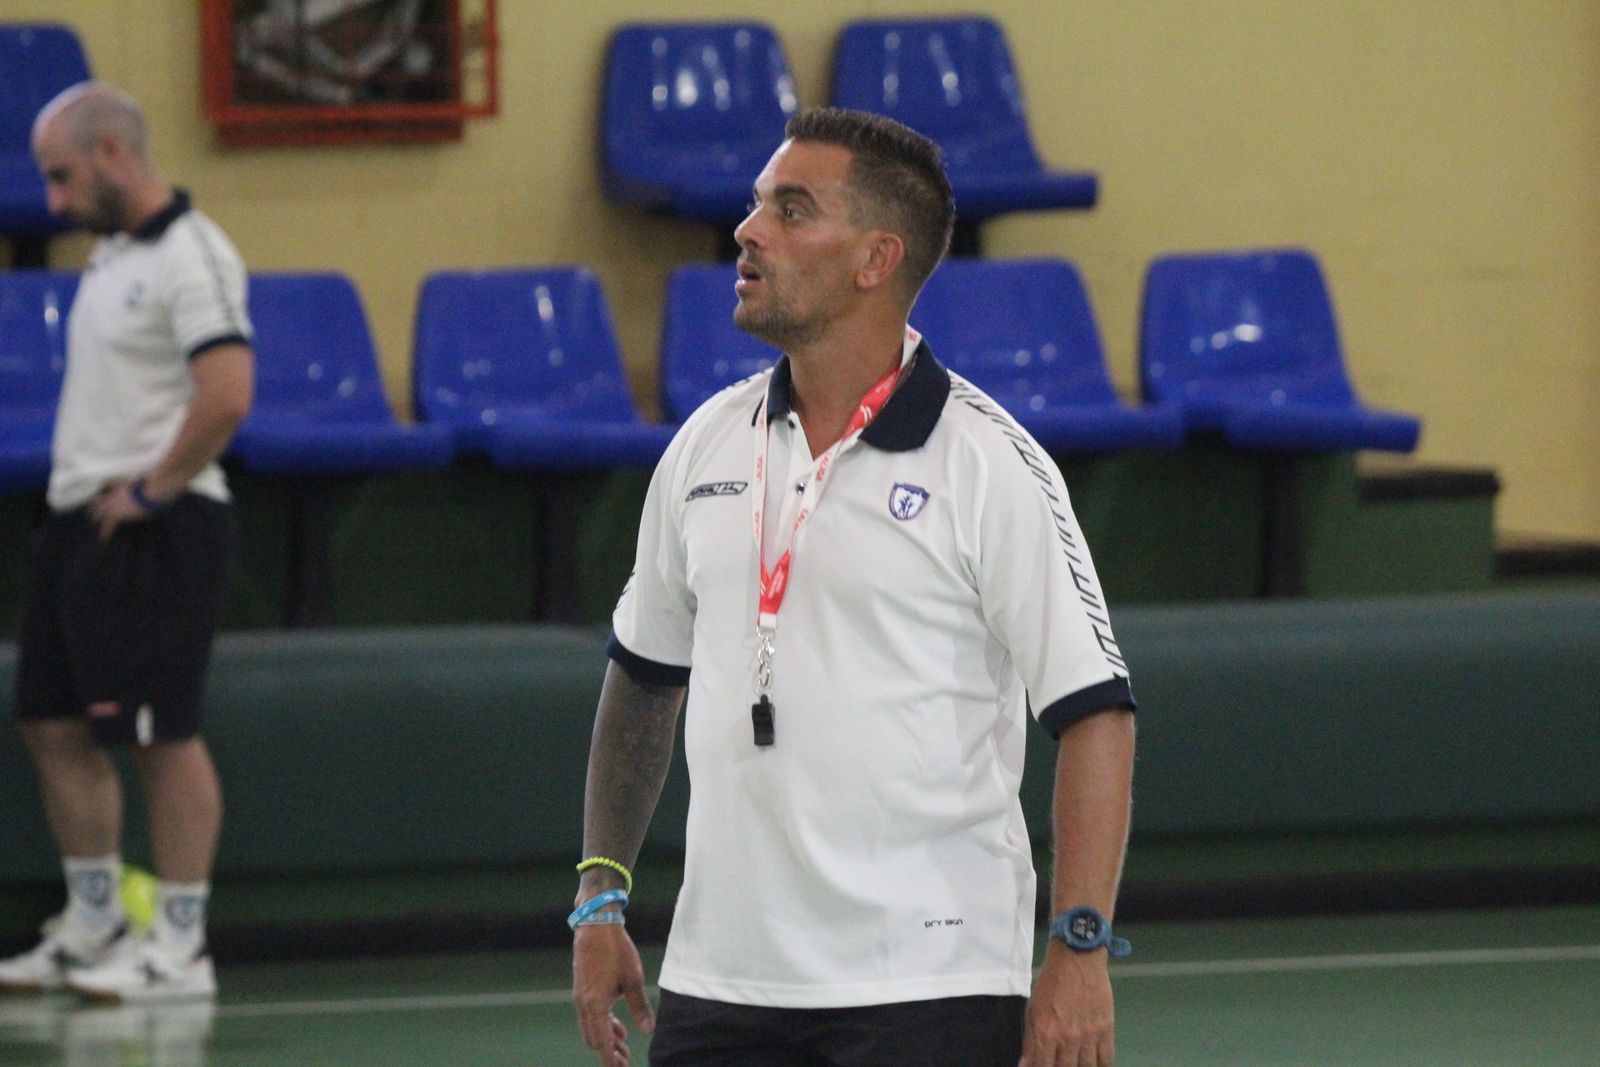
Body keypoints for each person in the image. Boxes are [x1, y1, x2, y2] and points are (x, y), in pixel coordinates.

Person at [570, 107, 1137, 1067]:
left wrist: (1078, 948)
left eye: (792, 211)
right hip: (721, 984)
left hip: (931, 987)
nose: (749, 232)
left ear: (878, 258)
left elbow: (1096, 713)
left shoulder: (991, 461)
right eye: (757, 204)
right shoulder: (706, 441)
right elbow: (643, 675)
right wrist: (600, 894)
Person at [0, 82, 253, 1003]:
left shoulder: (194, 253)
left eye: (63, 177)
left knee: (161, 734)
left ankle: (180, 947)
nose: (55, 203)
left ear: (112, 154)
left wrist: (153, 488)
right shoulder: (108, 256)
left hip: (158, 527)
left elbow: (226, 391)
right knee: (53, 723)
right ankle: (94, 922)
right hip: (79, 521)